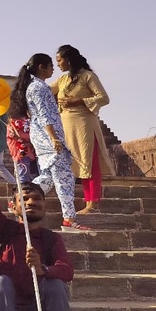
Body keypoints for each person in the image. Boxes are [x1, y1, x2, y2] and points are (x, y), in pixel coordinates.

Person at [0, 108, 73, 311]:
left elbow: (67, 269)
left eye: (37, 199)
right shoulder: (3, 229)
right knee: (1, 282)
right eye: (25, 199)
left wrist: (43, 269)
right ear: (13, 207)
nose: (32, 202)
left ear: (45, 206)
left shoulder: (51, 239)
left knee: (56, 286)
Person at [10, 53, 88, 231]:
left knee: (46, 177)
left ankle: (17, 199)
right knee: (64, 179)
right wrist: (54, 138)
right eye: (50, 65)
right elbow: (45, 115)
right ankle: (69, 219)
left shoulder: (34, 87)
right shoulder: (38, 88)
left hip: (43, 137)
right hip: (49, 138)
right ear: (41, 67)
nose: (53, 69)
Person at [53, 45, 113, 214]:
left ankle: (92, 203)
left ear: (69, 59)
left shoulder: (88, 76)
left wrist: (79, 101)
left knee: (89, 161)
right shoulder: (63, 80)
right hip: (66, 126)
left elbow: (104, 98)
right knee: (72, 162)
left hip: (84, 125)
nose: (57, 64)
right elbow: (46, 91)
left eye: (59, 60)